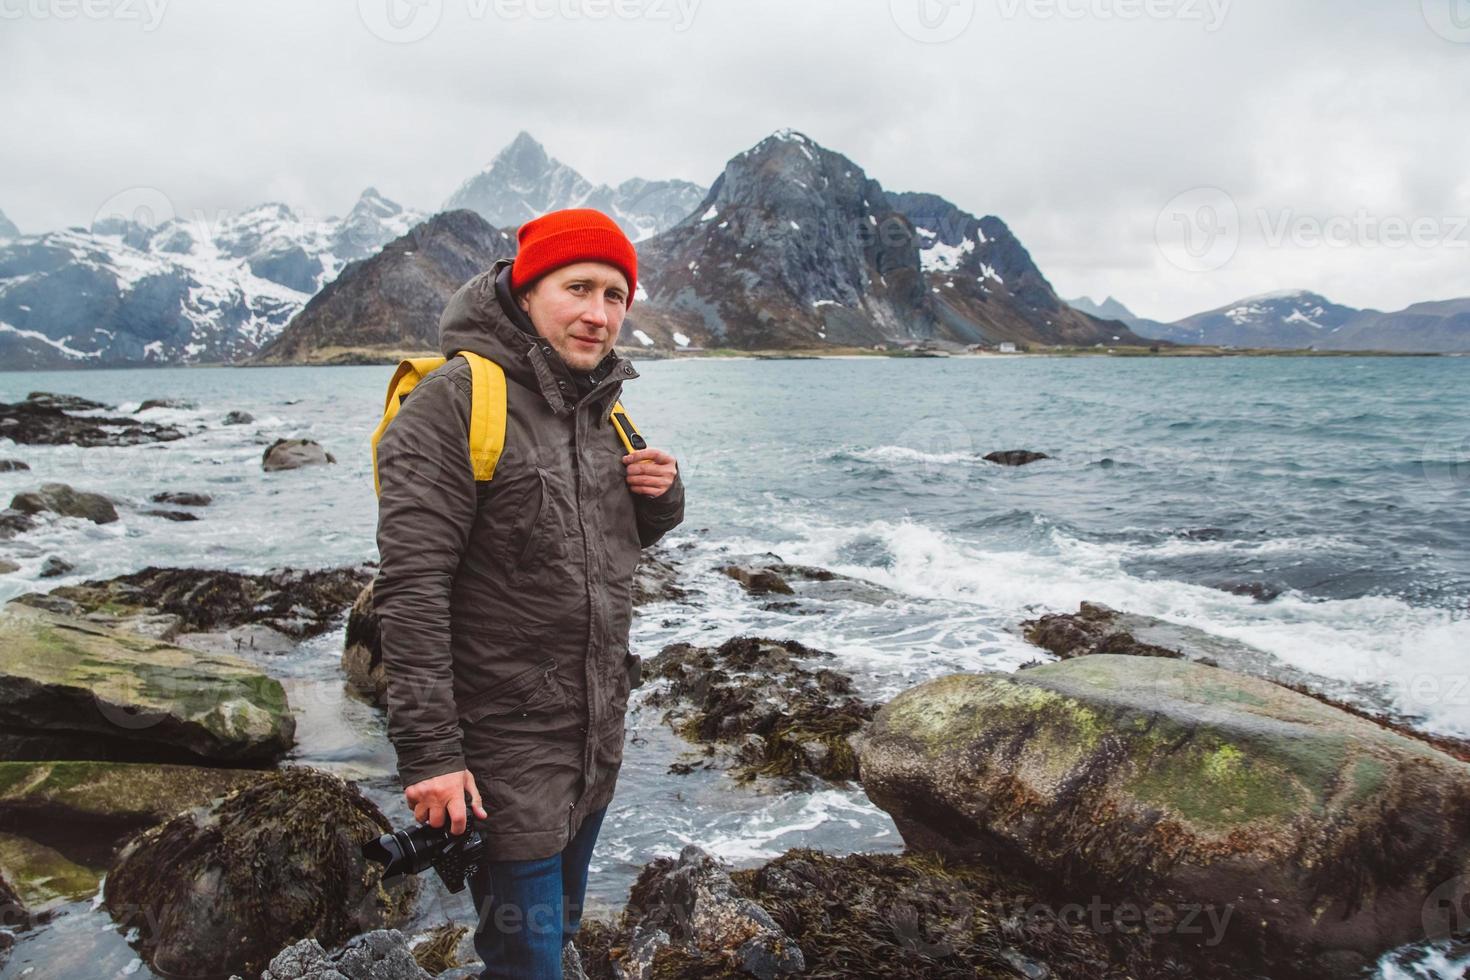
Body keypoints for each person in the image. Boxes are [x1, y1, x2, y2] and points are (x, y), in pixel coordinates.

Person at [373, 207, 686, 979]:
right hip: (501, 756)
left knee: (560, 933)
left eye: (615, 296)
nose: (598, 313)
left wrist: (661, 498)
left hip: (591, 741)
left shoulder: (598, 406)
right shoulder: (453, 405)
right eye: (578, 287)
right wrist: (431, 759)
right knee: (528, 957)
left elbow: (584, 548)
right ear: (525, 290)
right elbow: (410, 592)